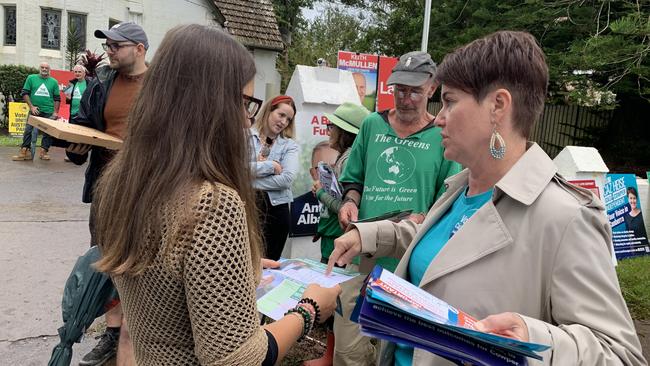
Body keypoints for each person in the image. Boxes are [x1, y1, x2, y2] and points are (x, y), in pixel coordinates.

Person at [328, 31, 646, 365]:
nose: (439, 117)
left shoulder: (565, 217)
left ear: (497, 106)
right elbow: (448, 249)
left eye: (449, 101)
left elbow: (621, 355)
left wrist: (531, 338)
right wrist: (372, 234)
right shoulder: (460, 187)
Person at [91, 24, 341, 366]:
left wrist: (236, 269)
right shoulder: (212, 204)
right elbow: (237, 359)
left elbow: (158, 298)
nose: (244, 120)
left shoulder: (121, 180)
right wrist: (310, 309)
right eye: (241, 102)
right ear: (204, 101)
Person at [334, 51, 462, 366]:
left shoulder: (441, 137)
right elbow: (355, 180)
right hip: (360, 254)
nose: (405, 98)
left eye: (415, 90)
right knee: (348, 348)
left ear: (433, 89)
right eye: (399, 89)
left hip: (408, 263)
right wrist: (350, 201)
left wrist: (427, 216)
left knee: (392, 353)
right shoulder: (372, 125)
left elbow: (449, 200)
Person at [65, 21, 149, 366]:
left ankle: (139, 332)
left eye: (117, 45)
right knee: (105, 258)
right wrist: (75, 146)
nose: (110, 50)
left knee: (142, 261)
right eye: (109, 45)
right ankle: (112, 336)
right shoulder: (101, 82)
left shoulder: (162, 86)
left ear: (140, 49)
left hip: (147, 188)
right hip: (105, 186)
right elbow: (84, 124)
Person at [306, 103, 369, 366]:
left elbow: (343, 207)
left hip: (338, 239)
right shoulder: (351, 156)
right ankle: (330, 355)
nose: (329, 130)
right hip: (337, 237)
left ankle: (332, 356)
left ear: (344, 131)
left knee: (338, 299)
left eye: (333, 126)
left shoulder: (349, 158)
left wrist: (320, 191)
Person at [250, 95, 300, 260]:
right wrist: (271, 166)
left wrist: (250, 180)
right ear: (269, 110)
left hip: (277, 211)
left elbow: (287, 179)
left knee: (271, 265)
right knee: (247, 262)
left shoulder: (290, 145)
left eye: (288, 119)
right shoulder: (246, 136)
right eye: (281, 115)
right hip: (248, 207)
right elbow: (236, 168)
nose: (283, 122)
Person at [12, 62, 60, 161]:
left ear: (49, 69)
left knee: (48, 132)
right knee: (28, 130)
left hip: (48, 111)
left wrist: (55, 112)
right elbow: (25, 93)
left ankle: (44, 152)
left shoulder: (54, 82)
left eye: (46, 68)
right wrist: (31, 107)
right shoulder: (31, 78)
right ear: (39, 68)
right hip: (35, 110)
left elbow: (57, 98)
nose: (44, 69)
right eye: (42, 67)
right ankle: (25, 151)